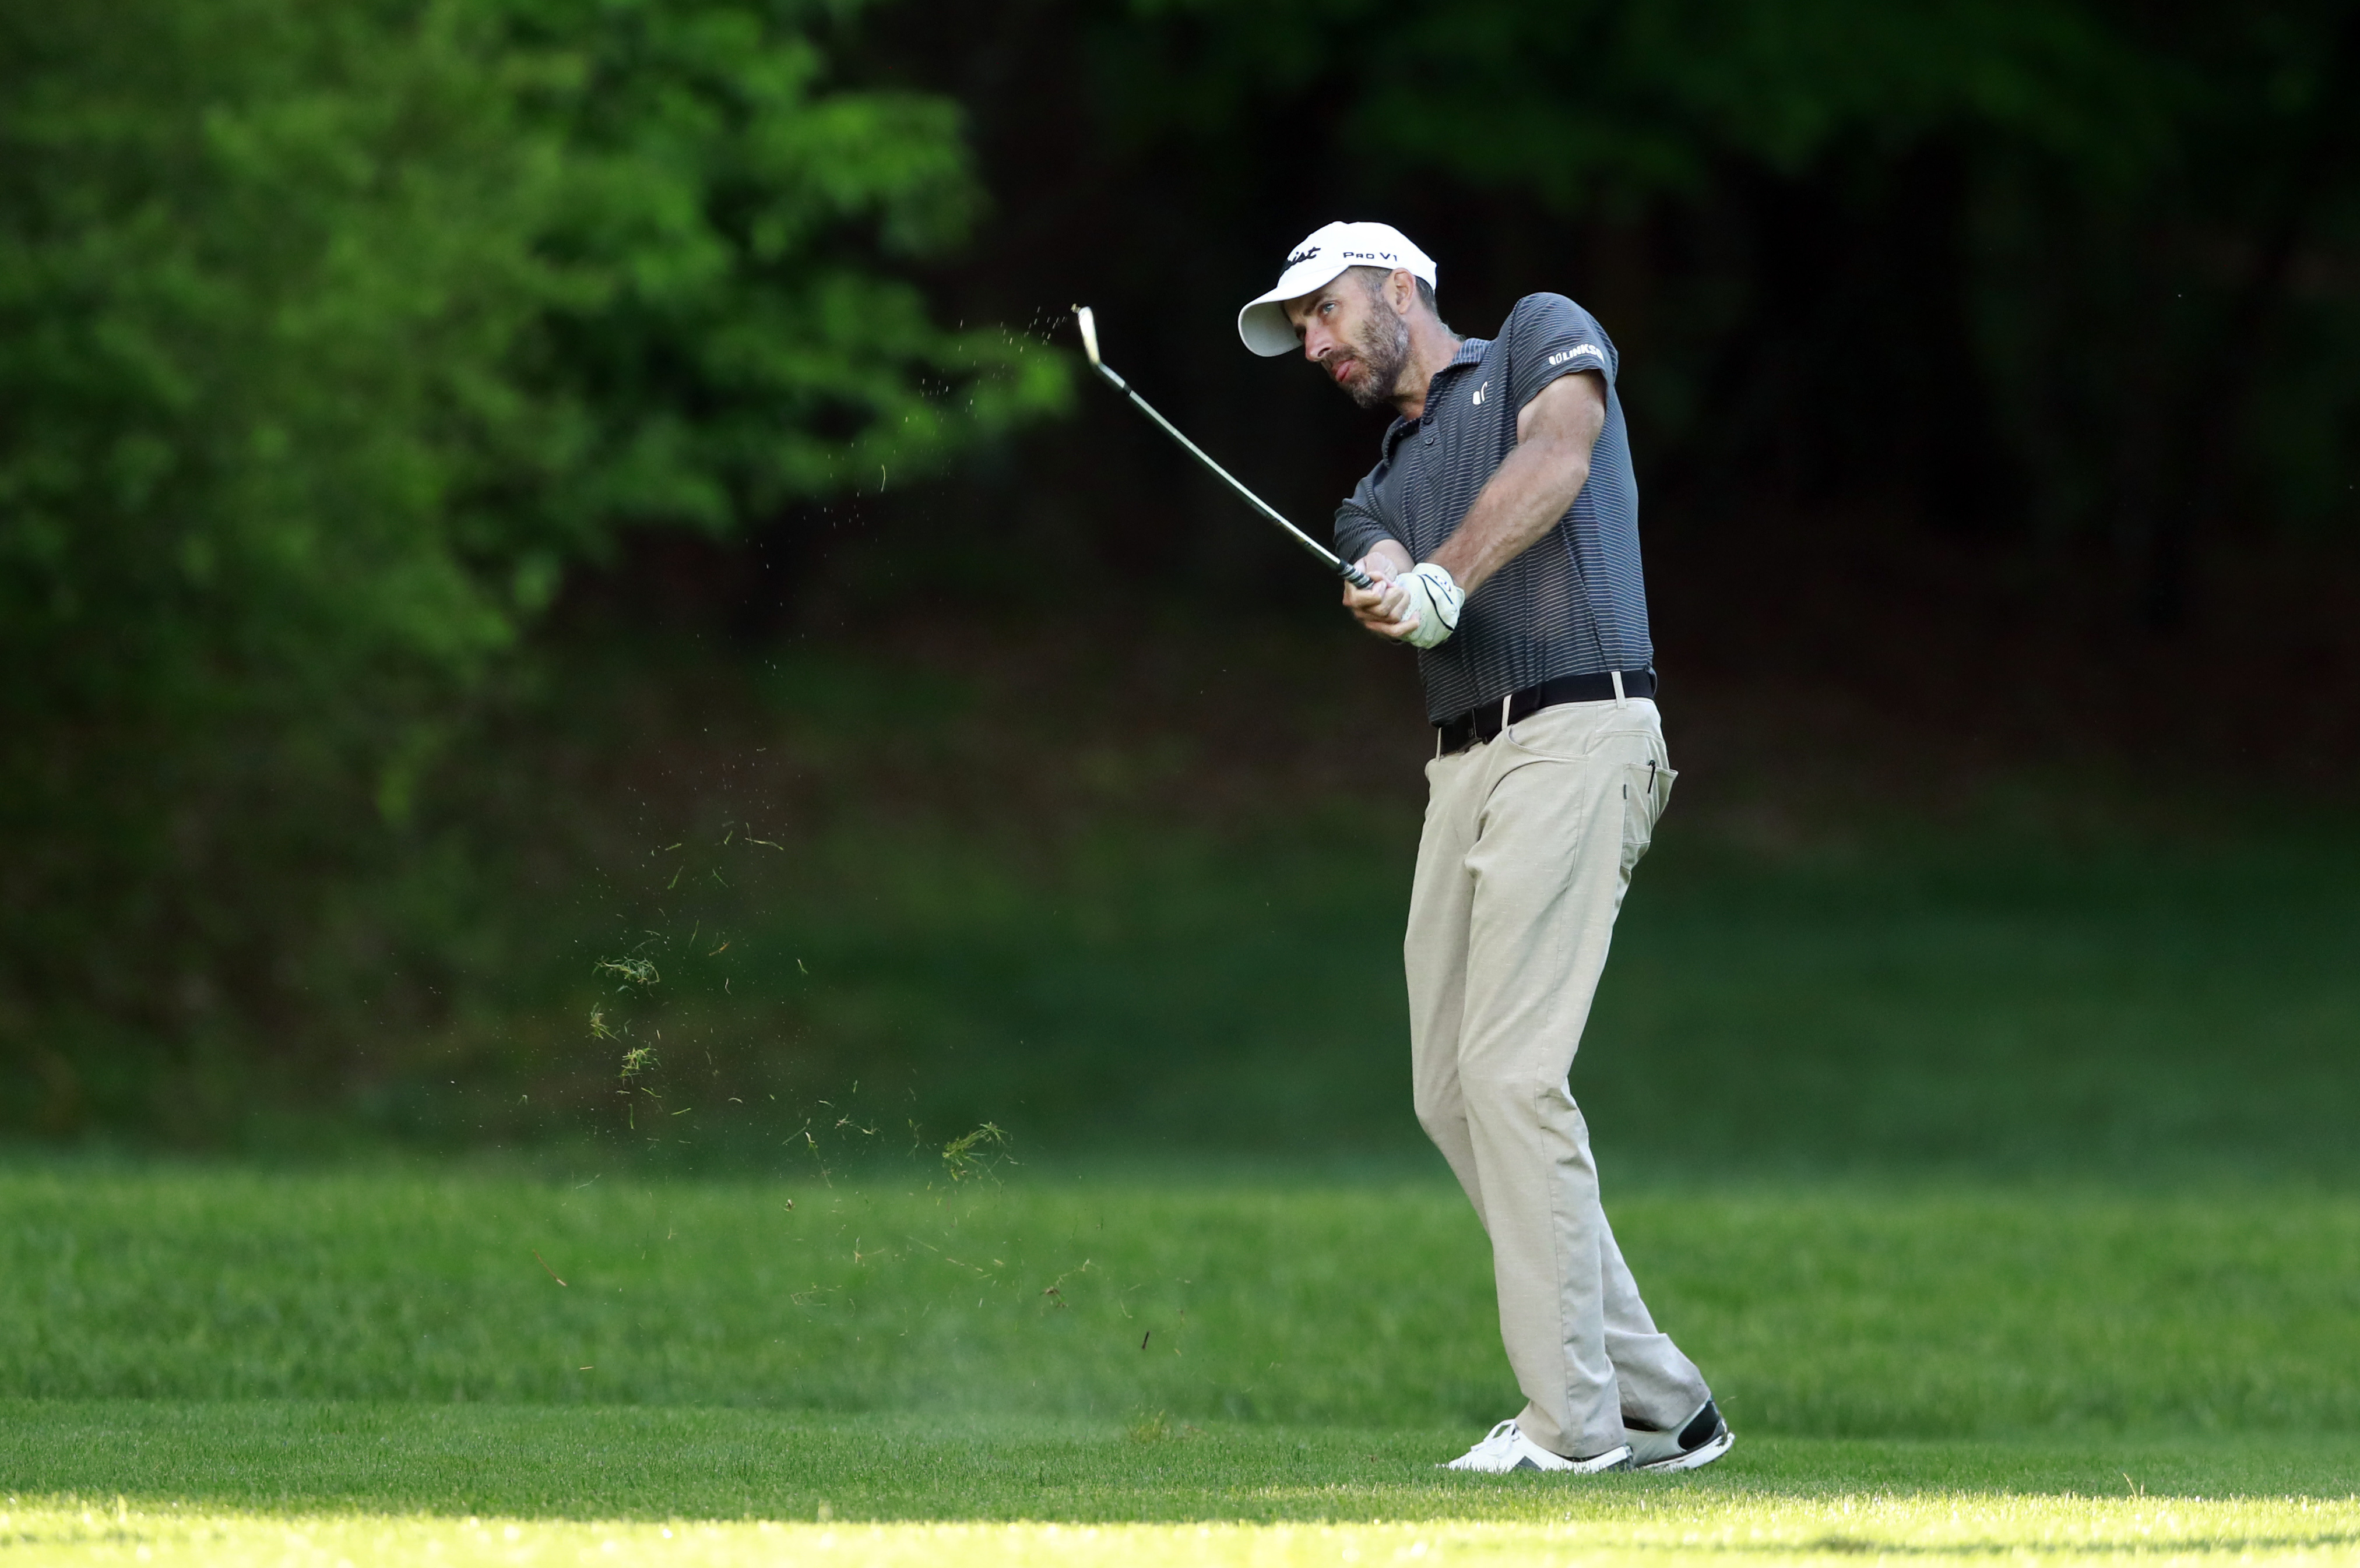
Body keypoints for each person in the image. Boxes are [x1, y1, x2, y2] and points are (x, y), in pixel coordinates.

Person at [1237, 221, 1734, 1475]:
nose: (1314, 344)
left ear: (1398, 288)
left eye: (1325, 311)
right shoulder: (1377, 480)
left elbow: (1559, 457)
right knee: (1452, 1092)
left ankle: (1576, 1427)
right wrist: (1396, 576)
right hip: (1460, 767)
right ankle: (1666, 1403)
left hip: (1582, 727)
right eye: (1299, 328)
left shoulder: (1535, 337)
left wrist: (1450, 575)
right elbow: (1380, 548)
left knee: (1514, 1076)